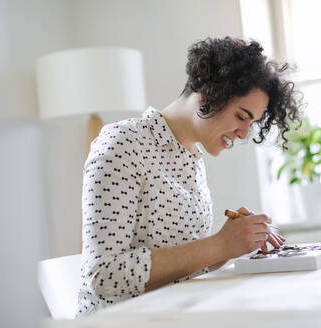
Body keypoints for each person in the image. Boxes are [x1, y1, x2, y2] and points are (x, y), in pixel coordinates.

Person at [76, 37, 303, 317]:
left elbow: (182, 265)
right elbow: (103, 275)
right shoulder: (122, 143)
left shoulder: (192, 157)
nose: (244, 134)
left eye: (252, 123)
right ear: (209, 95)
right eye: (241, 116)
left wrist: (231, 246)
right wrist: (219, 244)